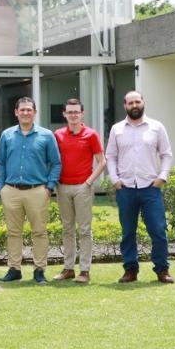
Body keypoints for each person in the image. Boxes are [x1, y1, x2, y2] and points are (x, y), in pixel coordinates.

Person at [106, 90, 175, 284]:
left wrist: (162, 177)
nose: (134, 105)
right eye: (130, 103)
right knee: (128, 232)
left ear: (143, 102)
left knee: (158, 231)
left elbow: (166, 154)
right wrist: (114, 179)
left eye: (137, 101)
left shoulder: (156, 127)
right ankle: (130, 270)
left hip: (150, 188)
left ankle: (162, 270)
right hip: (125, 188)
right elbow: (110, 156)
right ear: (124, 106)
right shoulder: (117, 129)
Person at [0, 97, 62, 284]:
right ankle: (14, 269)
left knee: (39, 232)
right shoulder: (7, 135)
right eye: (22, 110)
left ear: (34, 112)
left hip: (37, 191)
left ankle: (39, 270)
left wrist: (49, 187)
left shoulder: (46, 135)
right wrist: (2, 187)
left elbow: (56, 163)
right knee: (13, 232)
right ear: (16, 112)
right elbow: (0, 162)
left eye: (29, 110)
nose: (25, 113)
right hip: (11, 190)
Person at [52, 99, 107, 284]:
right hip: (62, 187)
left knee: (84, 230)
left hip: (83, 187)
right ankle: (68, 268)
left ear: (82, 113)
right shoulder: (58, 135)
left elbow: (102, 162)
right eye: (70, 112)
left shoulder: (91, 134)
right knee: (67, 229)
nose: (73, 115)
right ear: (64, 114)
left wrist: (89, 182)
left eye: (76, 112)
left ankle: (85, 270)